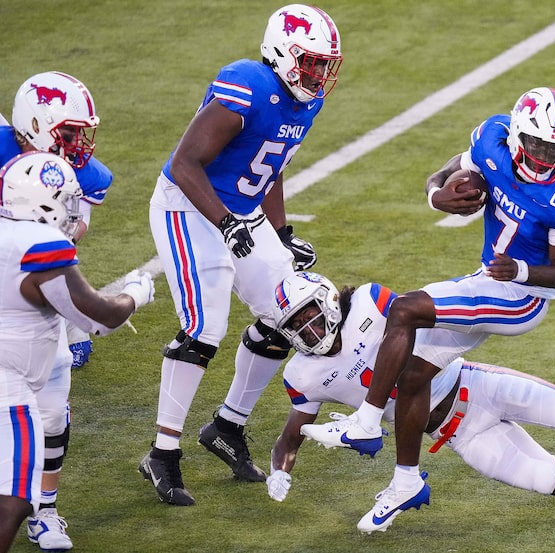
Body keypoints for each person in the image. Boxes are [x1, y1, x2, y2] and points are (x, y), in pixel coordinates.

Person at [301, 87, 555, 522]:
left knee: (404, 309)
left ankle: (366, 424)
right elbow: (449, 171)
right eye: (538, 143)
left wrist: (519, 271)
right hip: (487, 281)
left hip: (521, 298)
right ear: (519, 134)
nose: (545, 155)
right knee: (412, 376)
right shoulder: (493, 141)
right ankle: (406, 481)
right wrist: (436, 195)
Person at [266, 272, 555, 533]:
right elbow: (290, 435)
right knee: (552, 482)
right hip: (455, 433)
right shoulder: (302, 373)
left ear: (327, 301)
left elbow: (416, 331)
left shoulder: (368, 303)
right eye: (295, 325)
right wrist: (279, 470)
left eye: (308, 316)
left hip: (472, 386)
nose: (306, 330)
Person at [141, 3, 343, 506]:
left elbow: (269, 164)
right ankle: (163, 453)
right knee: (204, 328)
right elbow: (185, 163)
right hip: (187, 208)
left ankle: (227, 425)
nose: (319, 74)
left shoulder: (305, 101)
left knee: (299, 313)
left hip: (242, 212)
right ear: (281, 53)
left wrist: (282, 230)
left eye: (325, 64)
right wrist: (228, 224)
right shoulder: (247, 83)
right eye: (311, 62)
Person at [0, 152, 154, 553]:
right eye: (67, 201)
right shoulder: (40, 243)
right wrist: (136, 294)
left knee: (48, 427)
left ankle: (46, 513)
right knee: (14, 497)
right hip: (8, 379)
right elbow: (99, 318)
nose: (74, 213)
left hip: (26, 360)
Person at [1, 70, 112, 551]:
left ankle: (44, 511)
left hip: (31, 301)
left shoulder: (82, 175)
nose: (78, 143)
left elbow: (68, 235)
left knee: (52, 415)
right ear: (35, 123)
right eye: (68, 131)